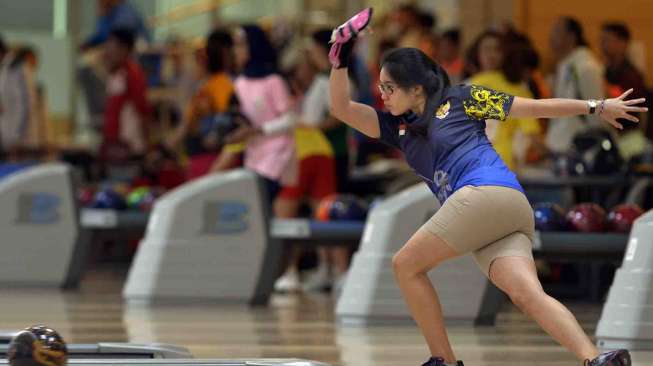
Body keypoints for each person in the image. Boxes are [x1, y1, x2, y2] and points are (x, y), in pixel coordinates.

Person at [328, 8, 645, 366]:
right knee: (526, 294)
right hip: (505, 213)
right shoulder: (396, 129)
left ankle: (444, 361)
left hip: (484, 195)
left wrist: (595, 105)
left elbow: (534, 108)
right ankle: (596, 359)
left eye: (389, 87)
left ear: (416, 88)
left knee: (406, 265)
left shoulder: (461, 98)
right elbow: (340, 108)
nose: (382, 94)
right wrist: (340, 58)